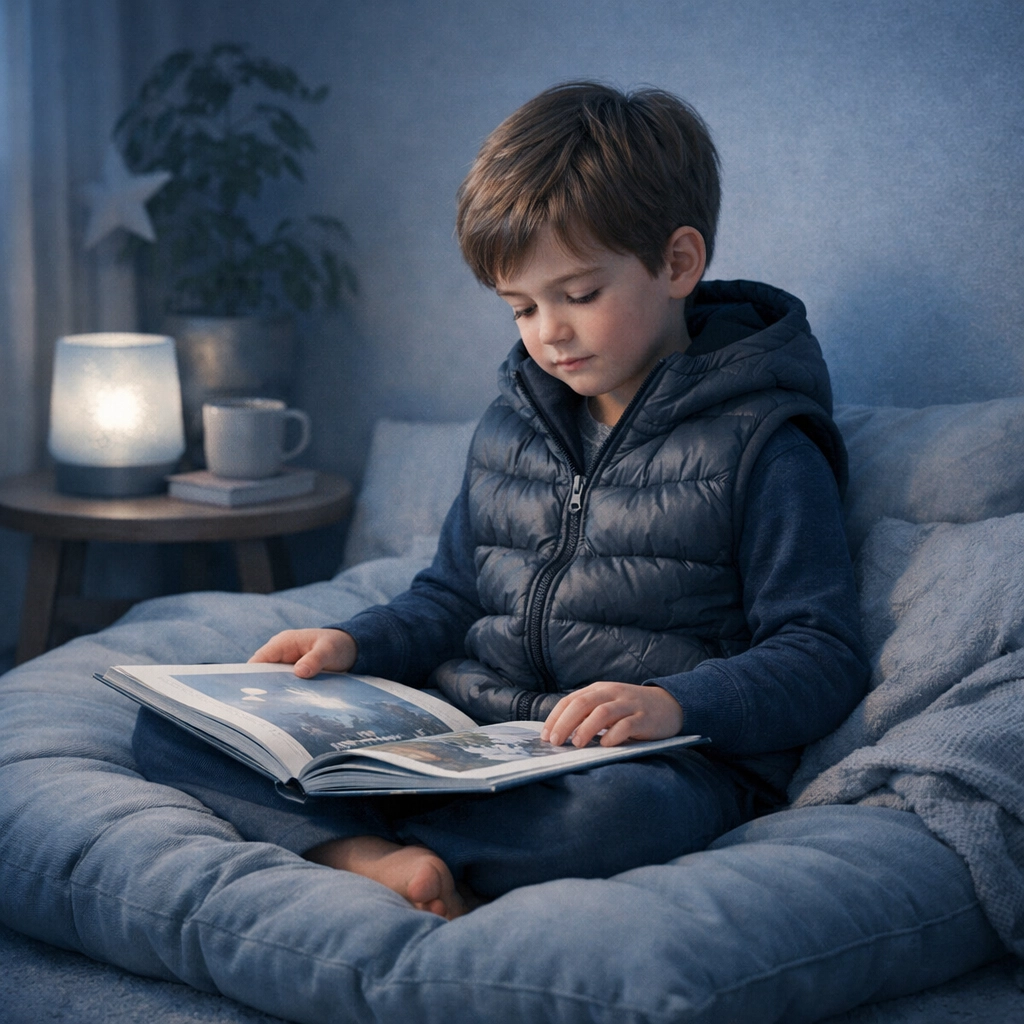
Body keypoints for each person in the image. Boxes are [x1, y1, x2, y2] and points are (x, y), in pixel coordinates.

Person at [134, 81, 868, 921]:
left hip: (637, 759)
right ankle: (376, 855)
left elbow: (821, 653)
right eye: (521, 306)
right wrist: (352, 644)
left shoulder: (766, 444)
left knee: (618, 818)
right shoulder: (510, 423)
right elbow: (450, 595)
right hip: (467, 736)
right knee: (175, 728)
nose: (548, 332)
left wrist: (672, 705)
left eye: (578, 295)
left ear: (677, 264)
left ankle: (366, 844)